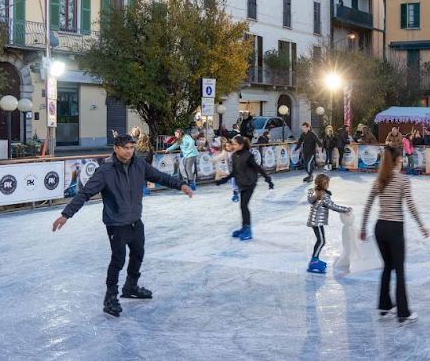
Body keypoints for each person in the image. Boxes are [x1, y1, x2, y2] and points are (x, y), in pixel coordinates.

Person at [52, 134, 194, 318]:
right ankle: (110, 297)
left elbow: (160, 176)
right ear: (116, 148)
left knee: (138, 254)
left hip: (135, 220)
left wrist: (180, 184)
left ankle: (131, 287)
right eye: (125, 148)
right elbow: (85, 193)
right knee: (118, 260)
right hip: (116, 223)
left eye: (131, 148)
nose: (129, 151)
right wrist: (66, 214)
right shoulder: (105, 171)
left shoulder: (139, 164)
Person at [360, 145, 429, 325]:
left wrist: (363, 228)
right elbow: (410, 205)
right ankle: (403, 313)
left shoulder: (380, 180)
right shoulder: (402, 180)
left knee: (387, 266)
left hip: (380, 228)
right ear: (398, 160)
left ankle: (384, 305)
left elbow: (368, 205)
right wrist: (421, 225)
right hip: (394, 228)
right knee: (398, 269)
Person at [216, 135, 274, 240]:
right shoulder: (234, 156)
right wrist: (223, 180)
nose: (233, 146)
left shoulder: (248, 156)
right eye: (232, 144)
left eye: (234, 144)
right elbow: (234, 172)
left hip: (250, 183)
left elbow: (257, 168)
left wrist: (267, 179)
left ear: (241, 145)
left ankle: (248, 230)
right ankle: (244, 227)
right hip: (242, 183)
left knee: (244, 206)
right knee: (242, 206)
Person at [306, 174, 352, 274]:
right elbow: (333, 206)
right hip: (317, 221)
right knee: (321, 241)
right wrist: (346, 209)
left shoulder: (313, 192)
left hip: (314, 220)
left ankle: (315, 259)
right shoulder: (324, 196)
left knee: (320, 240)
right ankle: (314, 261)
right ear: (325, 184)